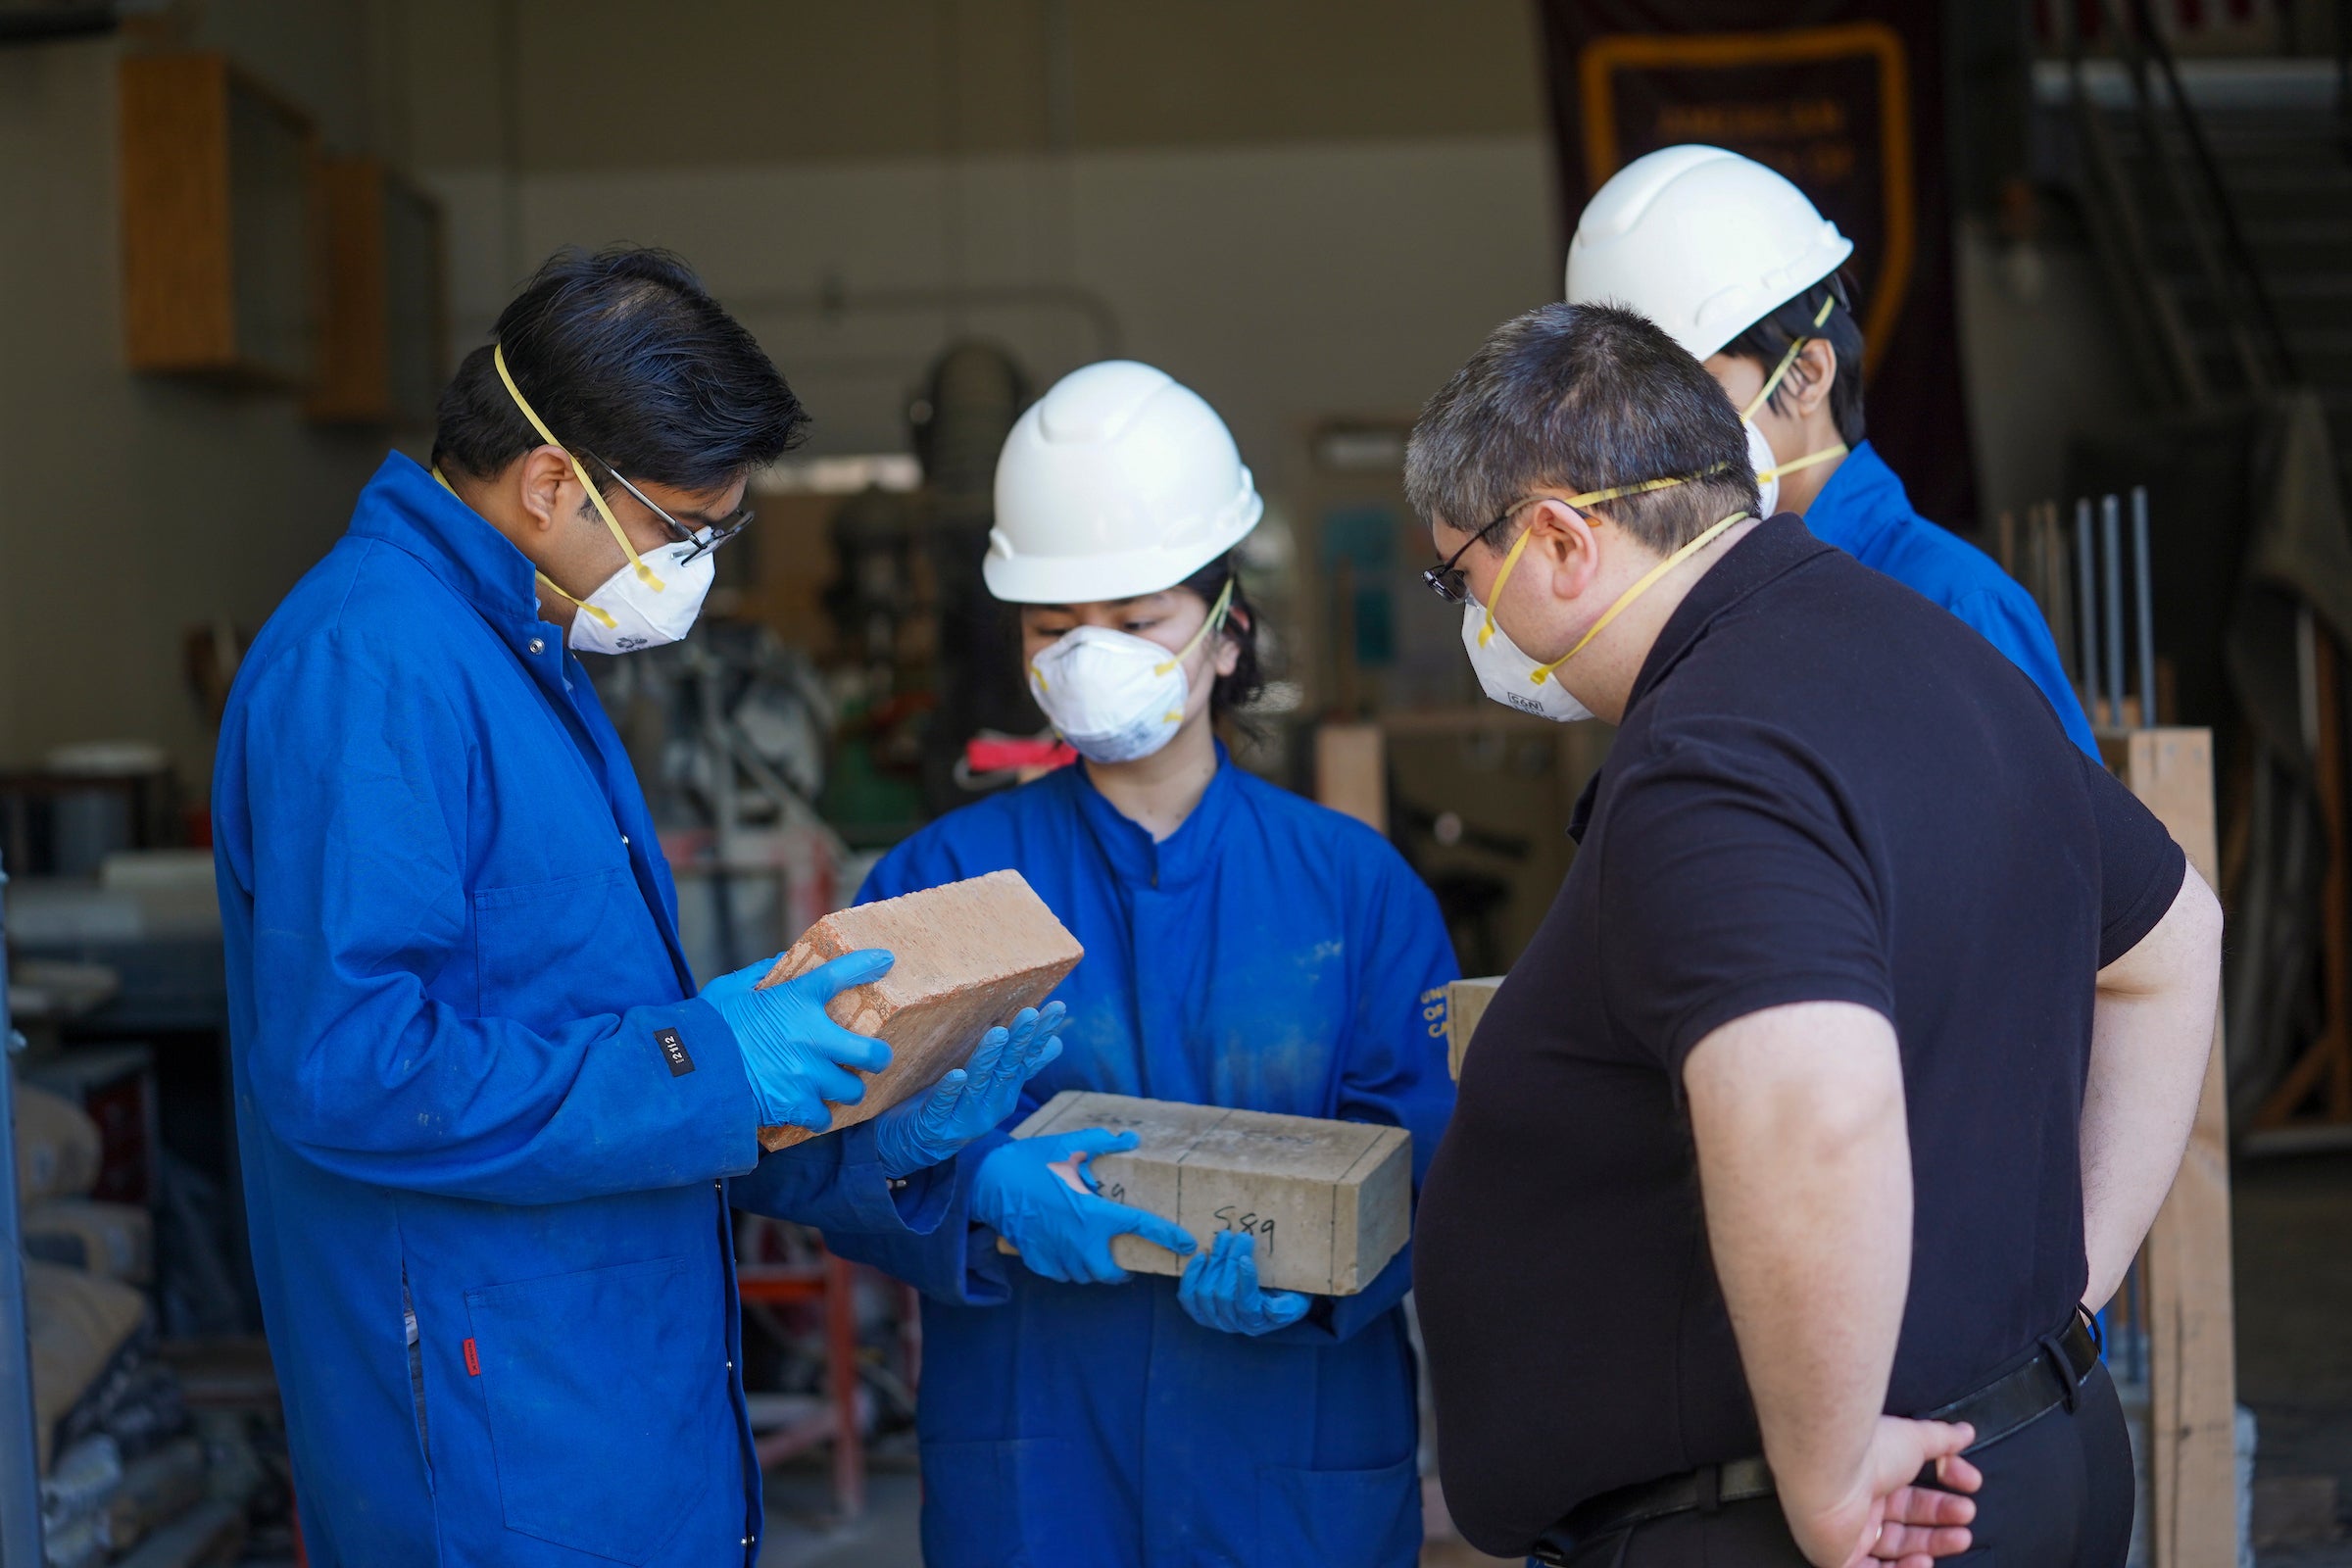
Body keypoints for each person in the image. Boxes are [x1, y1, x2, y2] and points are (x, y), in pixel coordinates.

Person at [213, 247, 1062, 1568]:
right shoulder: (374, 661)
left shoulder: (520, 652)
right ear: (552, 481)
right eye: (686, 529)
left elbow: (586, 1037)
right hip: (502, 1436)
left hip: (603, 1386)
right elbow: (352, 1068)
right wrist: (711, 1058)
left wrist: (864, 1130)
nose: (700, 566)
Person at [1402, 303, 2224, 1566]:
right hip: (2028, 1444)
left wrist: (1830, 1475)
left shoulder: (1709, 758)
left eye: (1463, 577)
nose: (1477, 624)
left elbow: (1812, 1109)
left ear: (1560, 539)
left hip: (1816, 1526)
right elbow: (2176, 940)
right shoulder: (1928, 649)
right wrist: (2071, 1292)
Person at [820, 360, 1460, 1568]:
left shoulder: (1352, 887)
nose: (1091, 655)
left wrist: (1325, 1275)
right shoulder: (940, 885)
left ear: (1229, 633)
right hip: (1041, 1458)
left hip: (1283, 1453)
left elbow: (1431, 1153)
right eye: (1056, 628)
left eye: (1138, 619)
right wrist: (976, 1190)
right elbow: (841, 1147)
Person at [1565, 143, 2101, 758]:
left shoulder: (1953, 603)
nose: (1661, 435)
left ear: (1809, 372)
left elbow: (2075, 848)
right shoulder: (1698, 618)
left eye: (1693, 391)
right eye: (1638, 407)